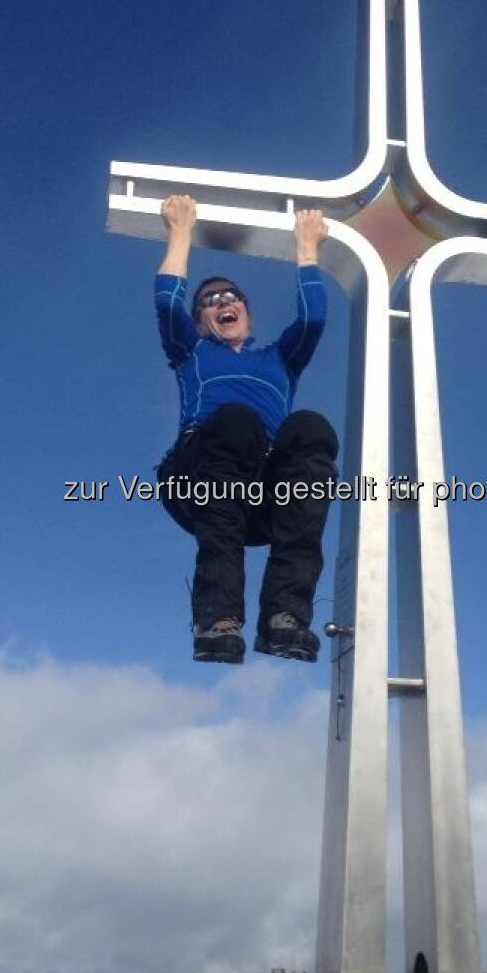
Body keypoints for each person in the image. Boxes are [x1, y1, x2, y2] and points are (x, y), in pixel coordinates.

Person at [154, 194, 338, 665]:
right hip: (200, 477)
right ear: (200, 322)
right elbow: (167, 298)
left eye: (231, 296)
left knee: (310, 428)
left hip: (260, 495)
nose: (222, 302)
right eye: (209, 302)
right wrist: (180, 232)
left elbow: (314, 318)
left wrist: (306, 246)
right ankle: (217, 619)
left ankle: (285, 618)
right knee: (238, 421)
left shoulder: (278, 359)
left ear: (248, 314)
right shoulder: (192, 352)